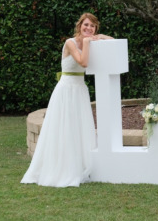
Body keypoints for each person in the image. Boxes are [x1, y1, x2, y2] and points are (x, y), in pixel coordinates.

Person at [21, 13, 113, 187]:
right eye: (86, 25)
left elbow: (113, 41)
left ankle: (81, 165)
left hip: (80, 90)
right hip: (66, 90)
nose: (88, 28)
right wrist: (87, 42)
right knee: (64, 127)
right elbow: (83, 62)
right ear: (79, 26)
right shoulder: (70, 43)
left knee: (79, 127)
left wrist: (100, 37)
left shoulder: (91, 40)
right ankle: (62, 168)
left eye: (92, 26)